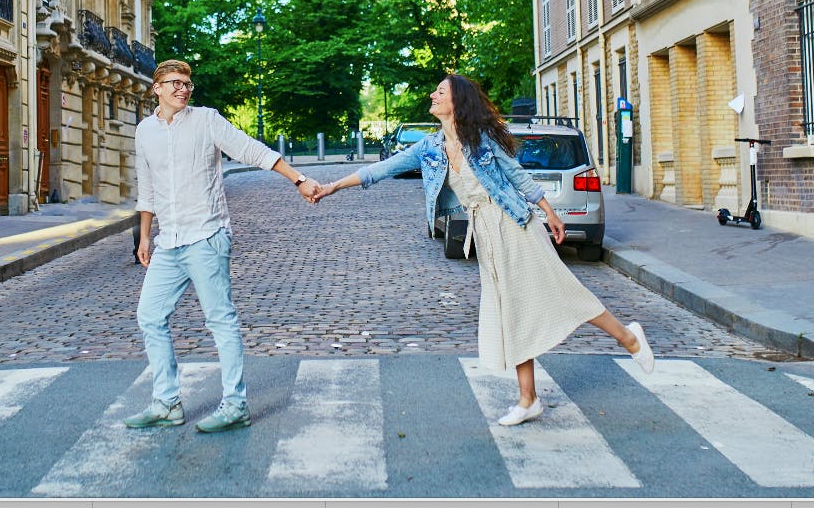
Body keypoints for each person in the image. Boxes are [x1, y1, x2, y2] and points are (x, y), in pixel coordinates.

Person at [312, 74, 654, 427]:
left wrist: (549, 213)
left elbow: (517, 176)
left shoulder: (482, 140)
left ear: (456, 102)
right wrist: (334, 186)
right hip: (485, 234)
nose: (433, 95)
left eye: (440, 92)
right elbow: (380, 169)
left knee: (562, 292)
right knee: (511, 311)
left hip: (514, 225)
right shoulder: (429, 148)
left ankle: (629, 338)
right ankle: (528, 399)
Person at [126, 59, 322, 433]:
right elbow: (146, 187)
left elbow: (251, 150)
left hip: (206, 236)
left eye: (187, 84)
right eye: (174, 83)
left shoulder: (206, 120)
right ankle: (167, 403)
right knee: (149, 316)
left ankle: (235, 405)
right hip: (169, 241)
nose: (182, 89)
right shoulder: (145, 131)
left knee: (220, 321)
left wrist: (297, 179)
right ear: (157, 89)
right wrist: (146, 235)